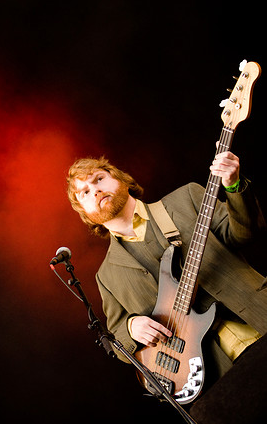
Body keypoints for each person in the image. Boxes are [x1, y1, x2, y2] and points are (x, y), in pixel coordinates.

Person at [66, 151, 267, 385]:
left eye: (98, 179)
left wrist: (233, 186)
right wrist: (131, 327)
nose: (96, 190)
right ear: (85, 213)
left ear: (120, 179)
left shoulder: (187, 198)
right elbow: (117, 339)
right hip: (215, 378)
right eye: (85, 193)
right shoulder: (107, 276)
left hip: (259, 320)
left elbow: (245, 232)